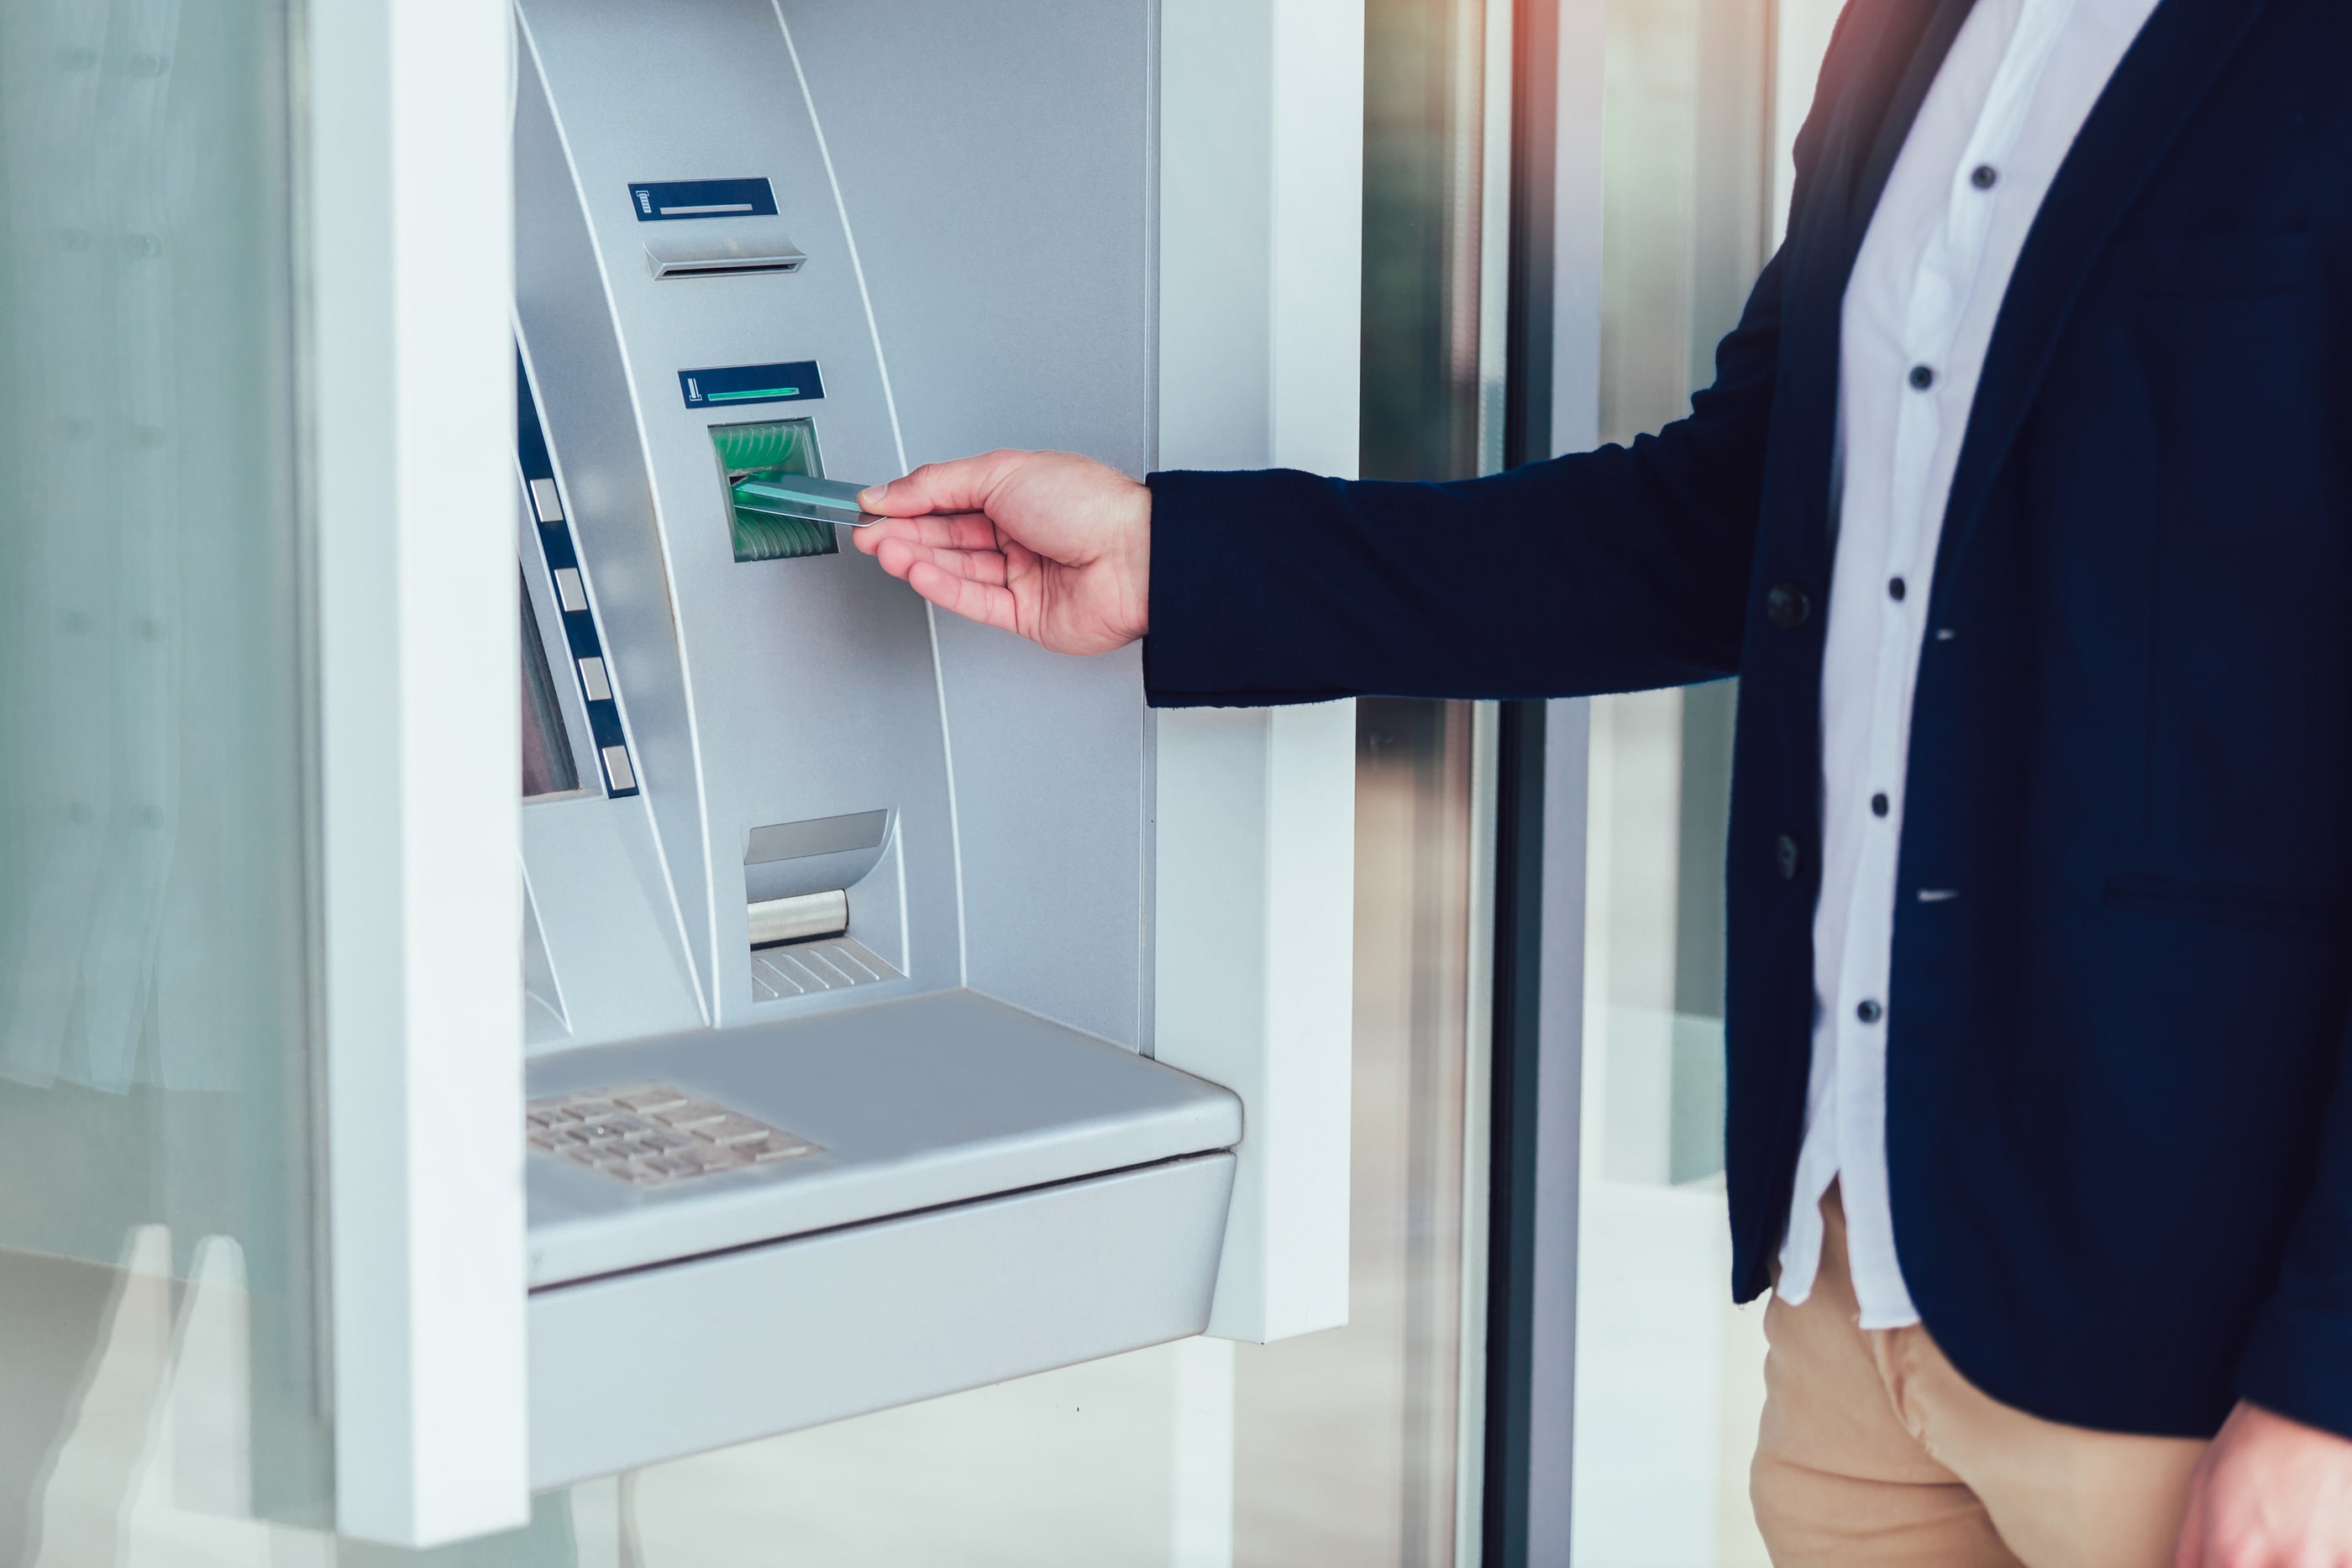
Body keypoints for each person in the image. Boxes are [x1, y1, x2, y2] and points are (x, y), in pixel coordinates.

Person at [854, 0, 2350, 1562]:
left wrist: (2332, 1385)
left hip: (2196, 1348)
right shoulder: (1911, 27)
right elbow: (1724, 520)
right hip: (1858, 1305)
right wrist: (1178, 555)